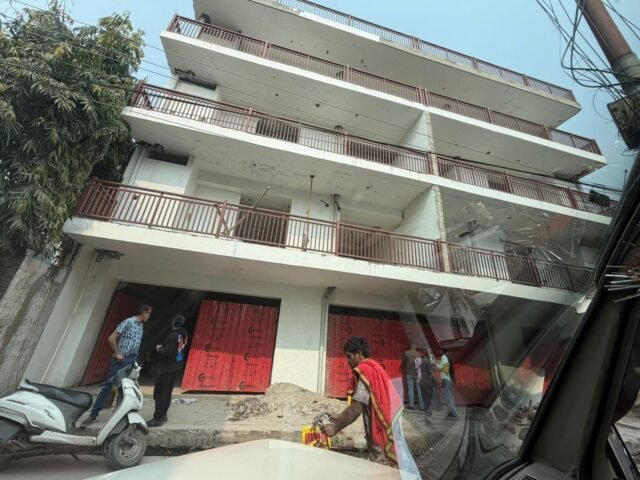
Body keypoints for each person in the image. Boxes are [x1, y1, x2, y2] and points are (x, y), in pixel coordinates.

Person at [322, 337, 416, 473]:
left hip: (381, 430)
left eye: (349, 356)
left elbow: (357, 407)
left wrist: (335, 427)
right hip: (390, 423)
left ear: (359, 354)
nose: (347, 361)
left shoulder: (365, 370)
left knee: (383, 469)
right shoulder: (374, 367)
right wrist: (340, 416)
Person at [81, 304, 152, 427]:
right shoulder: (128, 322)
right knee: (108, 386)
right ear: (143, 312)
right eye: (149, 313)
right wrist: (117, 353)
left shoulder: (141, 326)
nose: (149, 316)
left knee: (125, 388)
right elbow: (111, 339)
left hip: (131, 361)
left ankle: (118, 415)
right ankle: (93, 415)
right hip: (121, 360)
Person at [148, 315, 189, 427]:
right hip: (176, 366)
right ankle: (164, 414)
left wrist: (159, 348)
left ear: (173, 323)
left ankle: (157, 418)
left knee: (160, 393)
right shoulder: (184, 334)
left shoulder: (173, 335)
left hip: (166, 368)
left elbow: (167, 352)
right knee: (167, 392)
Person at [437, 349, 458, 417]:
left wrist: (436, 364)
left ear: (442, 351)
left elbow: (441, 367)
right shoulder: (449, 357)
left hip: (445, 378)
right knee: (450, 396)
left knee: (448, 397)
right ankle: (452, 411)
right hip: (450, 379)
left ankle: (453, 412)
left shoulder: (444, 357)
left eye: (440, 351)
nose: (439, 352)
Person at [403, 344, 423, 410]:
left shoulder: (406, 353)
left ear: (410, 347)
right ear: (415, 348)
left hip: (409, 373)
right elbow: (420, 364)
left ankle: (411, 405)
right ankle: (422, 406)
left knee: (410, 389)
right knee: (419, 389)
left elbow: (404, 362)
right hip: (416, 373)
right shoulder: (418, 354)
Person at [416, 352, 436, 419]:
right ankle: (429, 413)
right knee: (430, 398)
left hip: (421, 382)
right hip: (428, 382)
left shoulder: (420, 361)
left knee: (424, 398)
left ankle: (426, 412)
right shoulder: (428, 361)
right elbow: (431, 372)